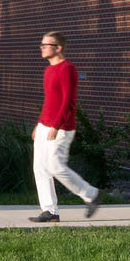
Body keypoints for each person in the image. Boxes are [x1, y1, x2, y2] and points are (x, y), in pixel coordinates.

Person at [28, 30, 101, 223]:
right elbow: (49, 101)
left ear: (58, 48)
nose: (42, 48)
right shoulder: (48, 70)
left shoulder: (67, 69)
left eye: (46, 45)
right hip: (45, 126)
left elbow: (68, 102)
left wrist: (56, 125)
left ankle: (91, 194)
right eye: (41, 44)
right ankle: (49, 211)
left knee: (55, 166)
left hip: (61, 127)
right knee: (40, 168)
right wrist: (39, 124)